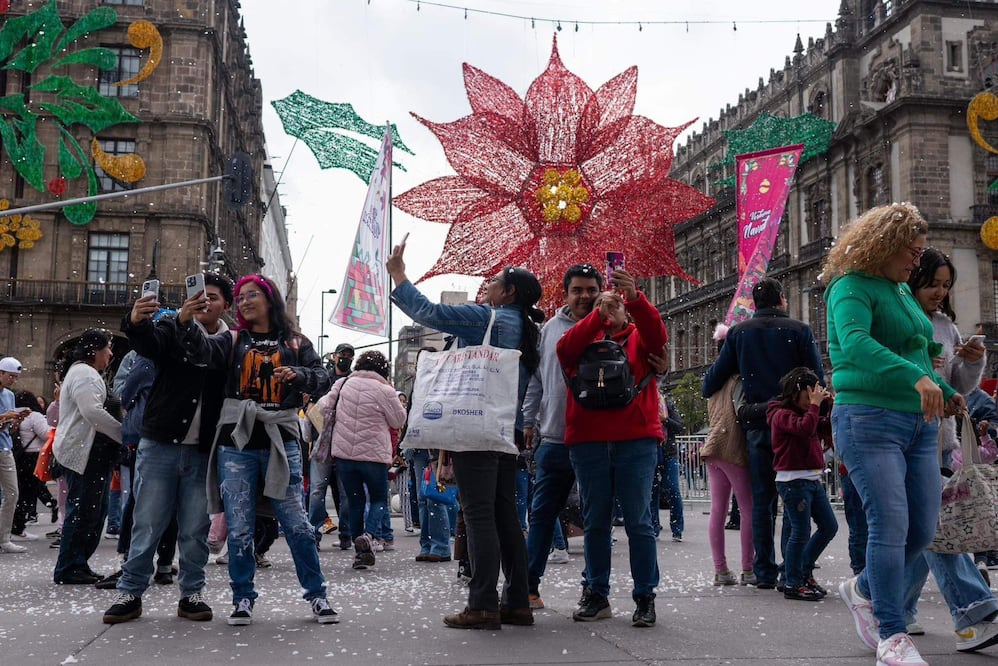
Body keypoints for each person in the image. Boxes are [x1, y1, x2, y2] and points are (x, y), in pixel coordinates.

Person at [825, 203, 963, 666]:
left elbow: (917, 350)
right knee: (890, 523)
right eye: (910, 251)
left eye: (920, 252)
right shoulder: (850, 287)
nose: (916, 261)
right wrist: (917, 377)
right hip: (867, 419)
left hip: (919, 422)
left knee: (923, 527)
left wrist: (944, 388)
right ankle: (892, 634)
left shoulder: (901, 291)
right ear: (882, 245)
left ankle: (864, 587)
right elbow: (857, 343)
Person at [387, 240, 542, 630]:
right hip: (504, 430)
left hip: (475, 428)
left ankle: (483, 603)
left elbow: (429, 312)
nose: (487, 285)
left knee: (477, 515)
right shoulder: (527, 329)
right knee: (505, 514)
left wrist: (398, 275)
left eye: (495, 281)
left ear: (508, 293)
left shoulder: (486, 318)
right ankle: (518, 601)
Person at [176, 274, 336, 625]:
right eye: (241, 296)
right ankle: (242, 597)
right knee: (240, 527)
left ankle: (317, 595)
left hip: (283, 441)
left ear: (270, 299)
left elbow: (323, 378)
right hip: (237, 443)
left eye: (253, 295)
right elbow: (201, 352)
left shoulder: (296, 342)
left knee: (297, 525)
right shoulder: (231, 339)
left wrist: (298, 375)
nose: (245, 301)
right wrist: (186, 322)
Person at [101, 273, 234, 624]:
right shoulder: (173, 327)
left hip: (202, 450)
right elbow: (148, 344)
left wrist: (184, 323)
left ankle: (191, 593)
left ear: (226, 306)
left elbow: (212, 358)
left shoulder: (229, 342)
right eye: (200, 295)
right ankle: (131, 591)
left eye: (214, 297)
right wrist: (135, 320)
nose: (205, 301)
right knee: (147, 522)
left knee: (194, 529)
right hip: (160, 443)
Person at [897, 247, 998, 652]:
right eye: (932, 284)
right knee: (934, 529)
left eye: (945, 285)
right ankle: (975, 610)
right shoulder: (900, 320)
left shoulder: (945, 326)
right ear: (913, 281)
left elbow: (961, 388)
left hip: (941, 442)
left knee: (923, 533)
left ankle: (887, 605)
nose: (939, 292)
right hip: (905, 440)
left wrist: (973, 362)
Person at [556, 270, 668, 628]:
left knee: (639, 522)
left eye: (616, 306)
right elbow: (565, 350)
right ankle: (597, 593)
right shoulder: (579, 337)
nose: (610, 310)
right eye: (606, 304)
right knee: (595, 523)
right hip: (589, 441)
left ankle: (645, 597)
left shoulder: (639, 338)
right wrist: (596, 318)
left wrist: (635, 299)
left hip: (636, 440)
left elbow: (658, 335)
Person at [702, 277, 824, 590]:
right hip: (793, 428)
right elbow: (815, 378)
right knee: (793, 497)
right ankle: (790, 566)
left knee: (762, 501)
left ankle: (764, 570)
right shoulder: (799, 330)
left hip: (757, 423)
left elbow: (713, 378)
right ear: (782, 299)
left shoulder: (740, 333)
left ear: (755, 304)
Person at [521, 264, 603, 611]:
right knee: (541, 515)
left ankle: (595, 590)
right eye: (577, 290)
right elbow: (537, 381)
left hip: (600, 437)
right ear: (565, 293)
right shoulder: (548, 331)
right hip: (553, 436)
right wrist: (528, 421)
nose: (584, 296)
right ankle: (527, 587)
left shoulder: (612, 324)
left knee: (597, 518)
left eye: (590, 289)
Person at [317, 350, 406, 570]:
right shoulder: (385, 389)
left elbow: (323, 407)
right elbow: (398, 420)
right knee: (378, 499)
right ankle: (368, 535)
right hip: (374, 457)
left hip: (345, 456)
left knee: (355, 501)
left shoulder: (343, 384)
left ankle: (360, 554)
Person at [52, 330, 124, 584]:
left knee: (92, 511)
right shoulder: (85, 373)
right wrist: (123, 434)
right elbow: (92, 412)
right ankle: (70, 567)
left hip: (89, 452)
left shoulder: (82, 372)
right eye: (108, 349)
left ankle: (76, 563)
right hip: (84, 453)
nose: (111, 354)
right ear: (95, 351)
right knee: (85, 512)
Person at [766, 367, 837, 601]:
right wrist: (816, 406)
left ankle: (797, 570)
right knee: (801, 531)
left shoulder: (808, 412)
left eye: (812, 398)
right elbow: (804, 428)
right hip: (792, 481)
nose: (810, 403)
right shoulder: (780, 414)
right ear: (795, 393)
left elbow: (821, 428)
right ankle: (793, 581)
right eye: (807, 398)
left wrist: (829, 405)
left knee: (829, 526)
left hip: (810, 478)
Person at [700, 326, 754, 587]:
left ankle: (720, 569)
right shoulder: (738, 380)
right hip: (733, 448)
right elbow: (742, 413)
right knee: (748, 508)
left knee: (718, 509)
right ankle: (748, 568)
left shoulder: (712, 381)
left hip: (713, 446)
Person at [309, 342, 354, 551]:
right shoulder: (323, 379)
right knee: (317, 491)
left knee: (346, 493)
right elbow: (310, 408)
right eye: (342, 355)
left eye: (349, 356)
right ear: (334, 357)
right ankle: (314, 533)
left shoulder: (354, 381)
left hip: (345, 443)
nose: (345, 358)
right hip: (322, 443)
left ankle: (346, 534)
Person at [11, 390, 51, 540]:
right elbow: (46, 433)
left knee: (18, 493)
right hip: (34, 457)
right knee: (28, 493)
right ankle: (18, 528)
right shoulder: (34, 416)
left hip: (19, 456)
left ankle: (13, 526)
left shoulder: (14, 415)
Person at [0, 357, 28, 553]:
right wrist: (5, 417)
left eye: (16, 377)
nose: (13, 380)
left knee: (12, 493)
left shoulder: (9, 396)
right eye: (10, 376)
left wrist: (15, 420)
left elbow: (6, 428)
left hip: (4, 447)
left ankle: (4, 537)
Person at [653, 394, 684, 542]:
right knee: (651, 492)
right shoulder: (645, 404)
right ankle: (653, 528)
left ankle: (677, 528)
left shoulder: (668, 405)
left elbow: (679, 426)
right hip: (651, 451)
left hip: (668, 452)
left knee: (672, 489)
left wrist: (665, 419)